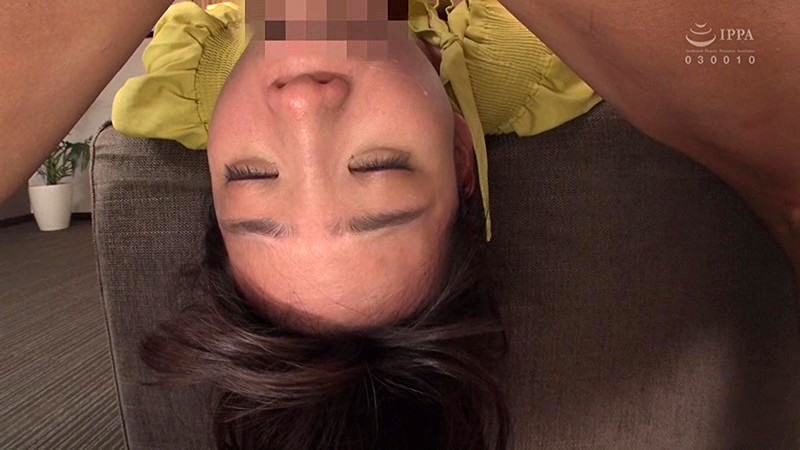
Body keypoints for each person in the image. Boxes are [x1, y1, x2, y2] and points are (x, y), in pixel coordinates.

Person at [1, 0, 797, 448]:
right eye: (378, 167)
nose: (303, 107)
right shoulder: (544, 52)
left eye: (251, 178)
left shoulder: (192, 61)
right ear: (459, 153)